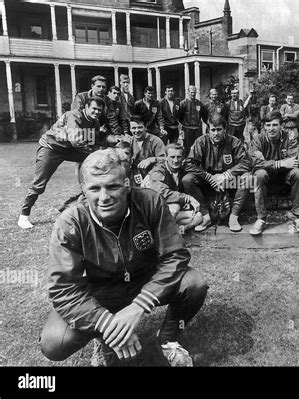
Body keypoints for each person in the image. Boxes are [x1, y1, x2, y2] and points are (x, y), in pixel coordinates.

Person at [39, 148, 207, 367]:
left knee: (194, 283)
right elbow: (63, 289)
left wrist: (139, 306)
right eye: (94, 188)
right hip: (101, 292)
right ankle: (103, 340)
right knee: (54, 342)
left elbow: (175, 255)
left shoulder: (150, 202)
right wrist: (107, 324)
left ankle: (167, 339)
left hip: (144, 282)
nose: (104, 197)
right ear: (83, 189)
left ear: (127, 184)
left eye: (113, 186)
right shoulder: (70, 222)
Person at [18, 97, 105, 229]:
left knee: (92, 160)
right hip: (52, 147)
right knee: (39, 184)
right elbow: (76, 140)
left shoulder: (95, 122)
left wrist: (97, 154)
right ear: (86, 107)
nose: (97, 112)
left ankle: (87, 198)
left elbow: (92, 144)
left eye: (99, 110)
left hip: (70, 150)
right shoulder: (74, 115)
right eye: (94, 108)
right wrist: (93, 153)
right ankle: (24, 216)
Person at [183, 114, 252, 233]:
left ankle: (234, 216)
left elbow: (246, 163)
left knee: (248, 177)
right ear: (208, 130)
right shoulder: (201, 142)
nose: (216, 133)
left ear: (224, 129)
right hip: (208, 181)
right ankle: (205, 216)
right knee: (187, 180)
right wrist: (209, 177)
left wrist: (226, 175)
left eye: (219, 129)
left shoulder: (234, 142)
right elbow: (189, 164)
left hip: (229, 181)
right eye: (213, 130)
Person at [249, 111, 299, 236]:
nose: (271, 128)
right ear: (264, 126)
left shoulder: (290, 137)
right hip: (266, 179)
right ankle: (261, 218)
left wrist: (267, 163)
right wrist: (279, 164)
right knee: (259, 174)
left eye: (275, 125)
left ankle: (297, 216)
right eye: (268, 125)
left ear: (281, 126)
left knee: (298, 173)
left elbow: (293, 162)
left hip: (284, 179)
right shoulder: (258, 139)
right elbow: (255, 163)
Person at [144, 143, 203, 232]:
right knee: (175, 207)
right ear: (166, 157)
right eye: (172, 157)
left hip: (167, 208)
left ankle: (179, 228)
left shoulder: (181, 168)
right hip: (151, 208)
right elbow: (161, 192)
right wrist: (187, 198)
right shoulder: (159, 170)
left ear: (183, 157)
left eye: (178, 157)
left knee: (198, 216)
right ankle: (161, 235)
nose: (175, 160)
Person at [128, 115, 165, 187]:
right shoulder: (130, 141)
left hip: (153, 174)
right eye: (133, 128)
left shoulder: (155, 141)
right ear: (130, 129)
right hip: (137, 175)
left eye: (140, 127)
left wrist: (151, 159)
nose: (137, 131)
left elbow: (165, 160)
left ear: (145, 127)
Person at [178, 85, 206, 156]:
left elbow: (204, 115)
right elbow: (179, 117)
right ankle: (187, 162)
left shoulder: (199, 103)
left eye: (194, 92)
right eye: (191, 92)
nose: (193, 94)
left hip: (197, 129)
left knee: (198, 146)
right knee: (187, 147)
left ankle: (196, 162)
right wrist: (185, 124)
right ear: (188, 92)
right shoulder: (183, 103)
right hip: (187, 129)